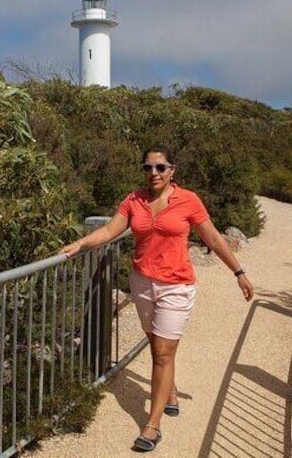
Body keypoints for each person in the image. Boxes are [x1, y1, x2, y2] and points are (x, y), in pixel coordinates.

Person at [58, 145, 254, 452]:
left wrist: (239, 272)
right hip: (142, 283)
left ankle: (152, 425)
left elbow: (213, 238)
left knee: (162, 352)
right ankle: (170, 389)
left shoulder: (188, 200)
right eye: (148, 167)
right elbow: (110, 230)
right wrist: (80, 244)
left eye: (161, 167)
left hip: (176, 286)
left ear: (172, 170)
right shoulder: (133, 200)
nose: (154, 173)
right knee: (156, 343)